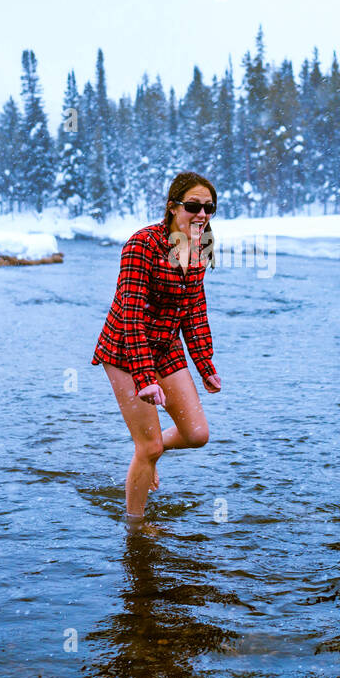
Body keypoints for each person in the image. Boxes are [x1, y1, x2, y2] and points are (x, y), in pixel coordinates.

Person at [92, 171, 222, 519]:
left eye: (209, 207)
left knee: (197, 434)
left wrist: (205, 366)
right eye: (193, 206)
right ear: (172, 207)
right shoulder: (142, 244)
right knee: (149, 447)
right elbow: (130, 314)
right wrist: (145, 377)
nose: (202, 215)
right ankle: (135, 527)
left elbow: (194, 311)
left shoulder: (201, 245)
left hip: (165, 346)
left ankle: (146, 450)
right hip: (124, 349)